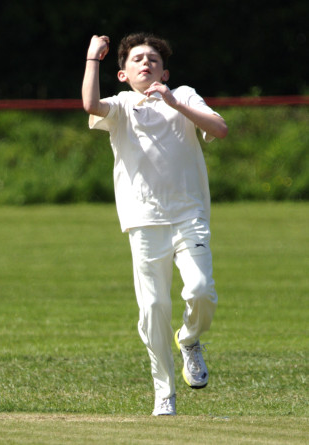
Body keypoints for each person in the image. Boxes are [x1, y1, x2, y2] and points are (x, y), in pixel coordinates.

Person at [82, 33, 228, 416]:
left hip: (188, 213)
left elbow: (219, 129)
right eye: (137, 60)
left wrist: (174, 101)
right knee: (153, 307)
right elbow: (90, 104)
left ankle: (190, 339)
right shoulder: (122, 105)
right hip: (143, 219)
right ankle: (163, 391)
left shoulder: (184, 95)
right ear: (123, 74)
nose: (145, 63)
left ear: (165, 71)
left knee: (200, 291)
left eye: (153, 59)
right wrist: (91, 60)